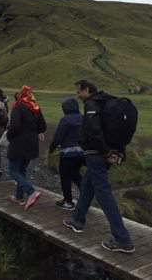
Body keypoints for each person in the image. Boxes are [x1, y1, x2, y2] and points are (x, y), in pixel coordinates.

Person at [65, 79, 137, 253]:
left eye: (79, 91)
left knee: (103, 192)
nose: (78, 95)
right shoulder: (108, 101)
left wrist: (105, 152)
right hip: (106, 153)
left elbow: (93, 131)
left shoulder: (92, 103)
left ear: (87, 90)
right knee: (88, 184)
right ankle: (77, 219)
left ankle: (122, 239)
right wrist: (115, 151)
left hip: (96, 153)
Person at [5, 86, 47, 209]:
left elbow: (15, 126)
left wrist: (9, 135)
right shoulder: (35, 107)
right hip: (32, 143)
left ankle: (31, 192)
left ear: (20, 95)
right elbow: (43, 126)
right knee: (22, 169)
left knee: (13, 170)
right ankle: (19, 197)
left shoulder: (18, 106)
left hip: (19, 143)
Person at [49, 97, 85, 211]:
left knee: (65, 177)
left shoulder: (65, 120)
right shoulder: (83, 118)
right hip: (82, 153)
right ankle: (86, 197)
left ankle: (68, 202)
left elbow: (58, 137)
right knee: (76, 175)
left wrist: (51, 148)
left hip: (68, 154)